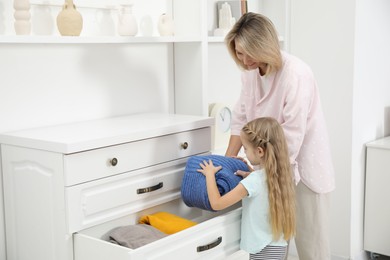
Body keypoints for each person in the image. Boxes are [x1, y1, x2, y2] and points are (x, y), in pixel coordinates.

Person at [224, 12, 335, 260]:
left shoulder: (296, 74)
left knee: (312, 249)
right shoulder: (249, 74)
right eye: (239, 53)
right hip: (271, 172)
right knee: (274, 246)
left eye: (248, 52)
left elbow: (292, 136)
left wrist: (262, 174)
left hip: (305, 173)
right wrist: (226, 163)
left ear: (264, 45)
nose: (244, 60)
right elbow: (240, 119)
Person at [198, 117, 295, 260]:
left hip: (262, 251)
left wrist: (210, 174)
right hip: (278, 248)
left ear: (260, 151)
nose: (244, 152)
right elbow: (262, 184)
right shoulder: (280, 175)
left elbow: (217, 203)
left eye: (246, 148)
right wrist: (249, 171)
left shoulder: (254, 181)